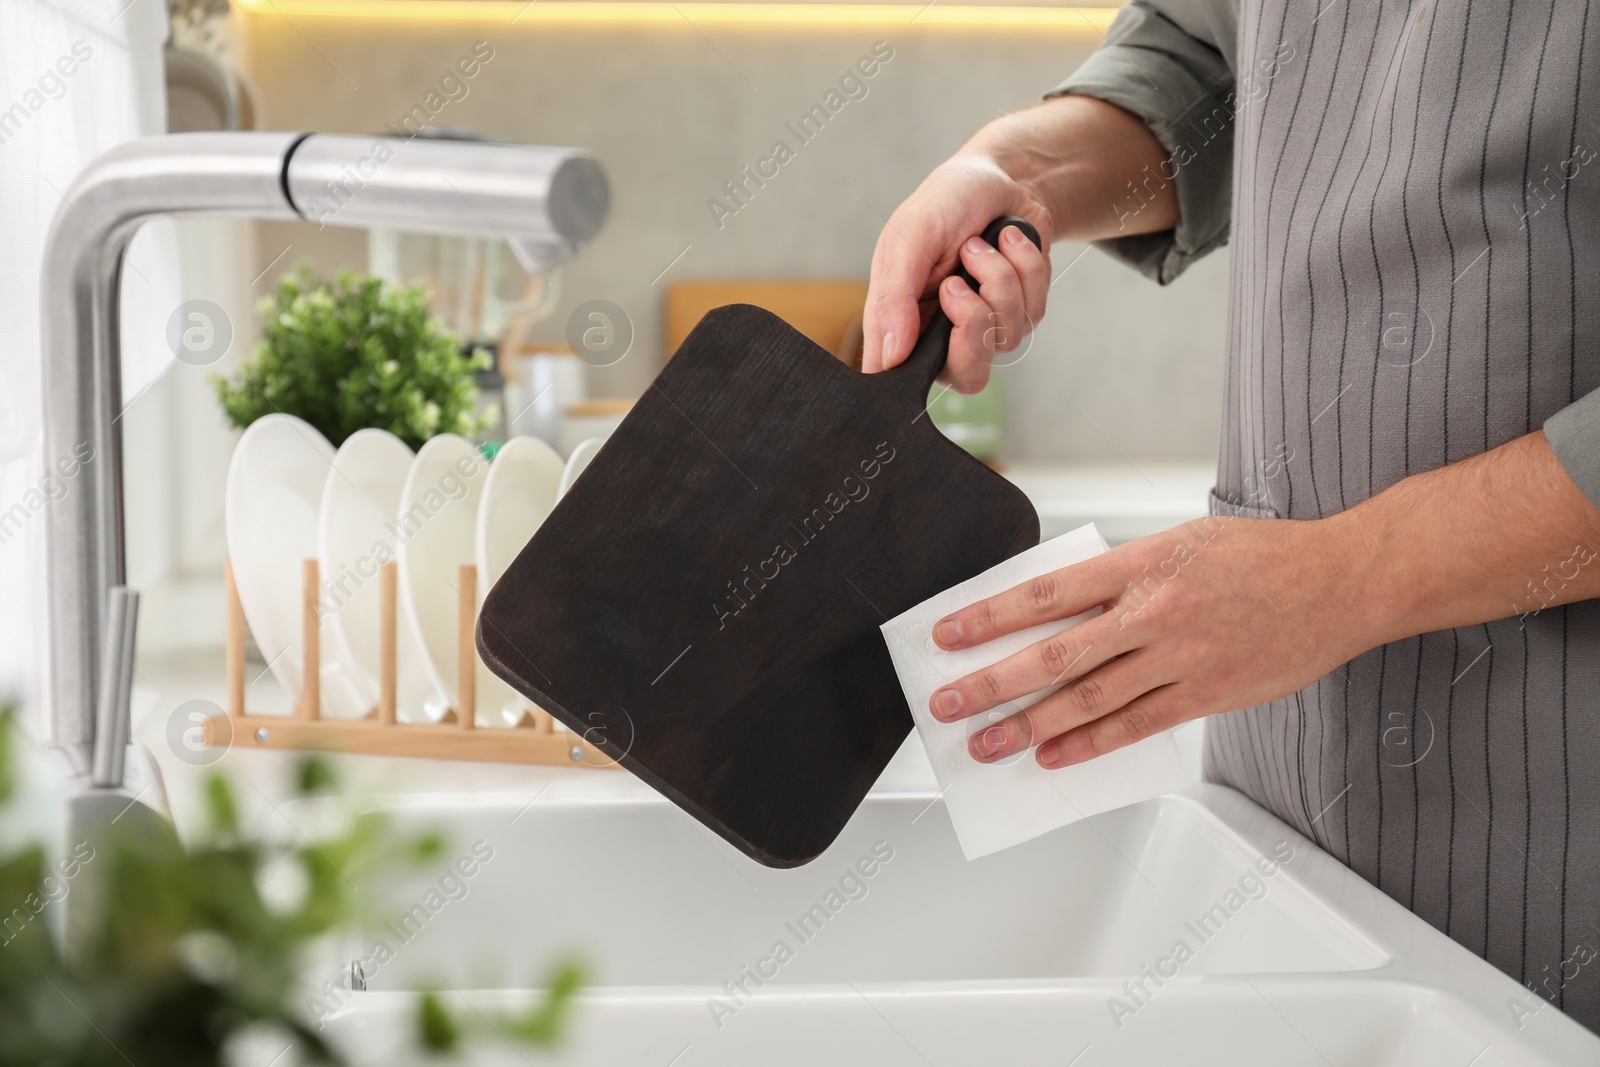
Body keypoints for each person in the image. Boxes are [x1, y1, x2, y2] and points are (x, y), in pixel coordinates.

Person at [861, 0, 1600, 1031]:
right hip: (1279, 807)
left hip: (1553, 821)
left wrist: (1343, 577)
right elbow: (1209, 54)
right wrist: (1020, 173)